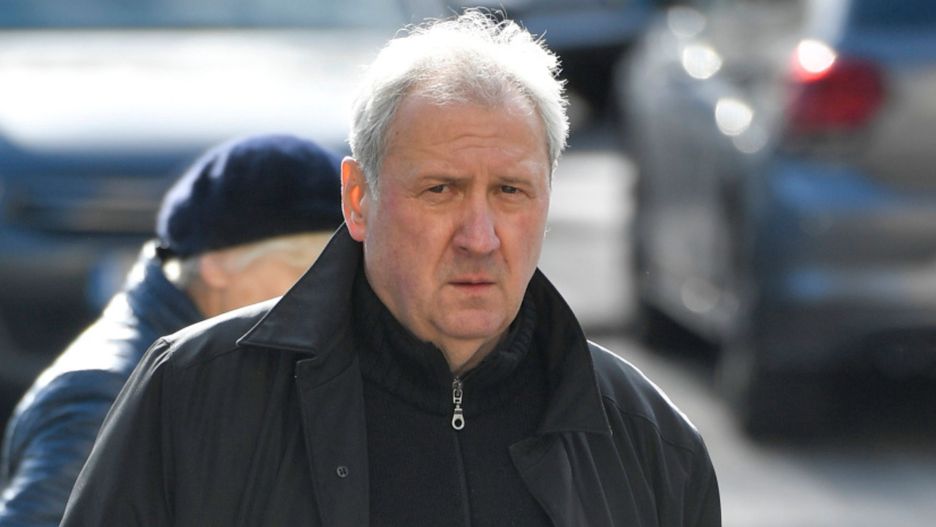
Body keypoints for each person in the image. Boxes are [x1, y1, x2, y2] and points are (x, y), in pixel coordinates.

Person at [60, 11, 721, 526]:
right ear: (358, 199)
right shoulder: (192, 395)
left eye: (510, 191)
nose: (480, 237)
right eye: (441, 190)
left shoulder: (650, 445)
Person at [0, 133, 343, 526]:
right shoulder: (108, 397)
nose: (329, 291)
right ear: (216, 264)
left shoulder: (227, 359)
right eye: (309, 268)